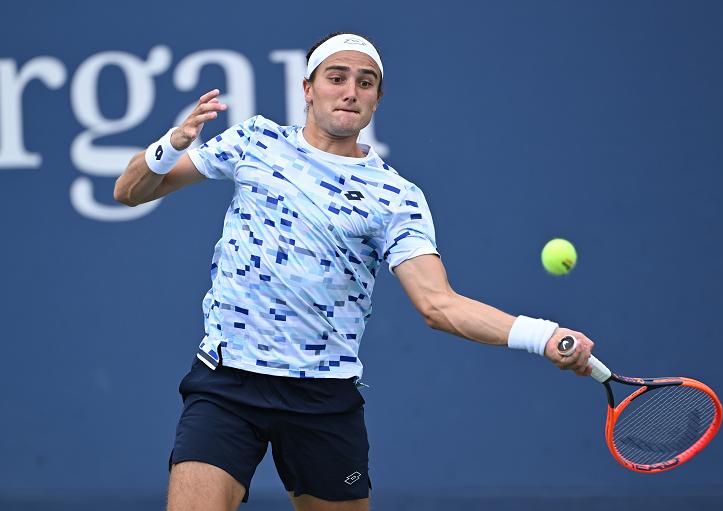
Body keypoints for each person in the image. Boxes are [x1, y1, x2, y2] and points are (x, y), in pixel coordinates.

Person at [114, 32, 595, 511]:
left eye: (365, 82)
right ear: (308, 88)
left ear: (376, 99)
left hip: (322, 398)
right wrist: (170, 145)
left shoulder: (396, 197)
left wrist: (542, 335)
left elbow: (438, 305)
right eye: (336, 77)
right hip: (226, 384)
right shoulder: (254, 141)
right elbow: (129, 192)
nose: (350, 91)